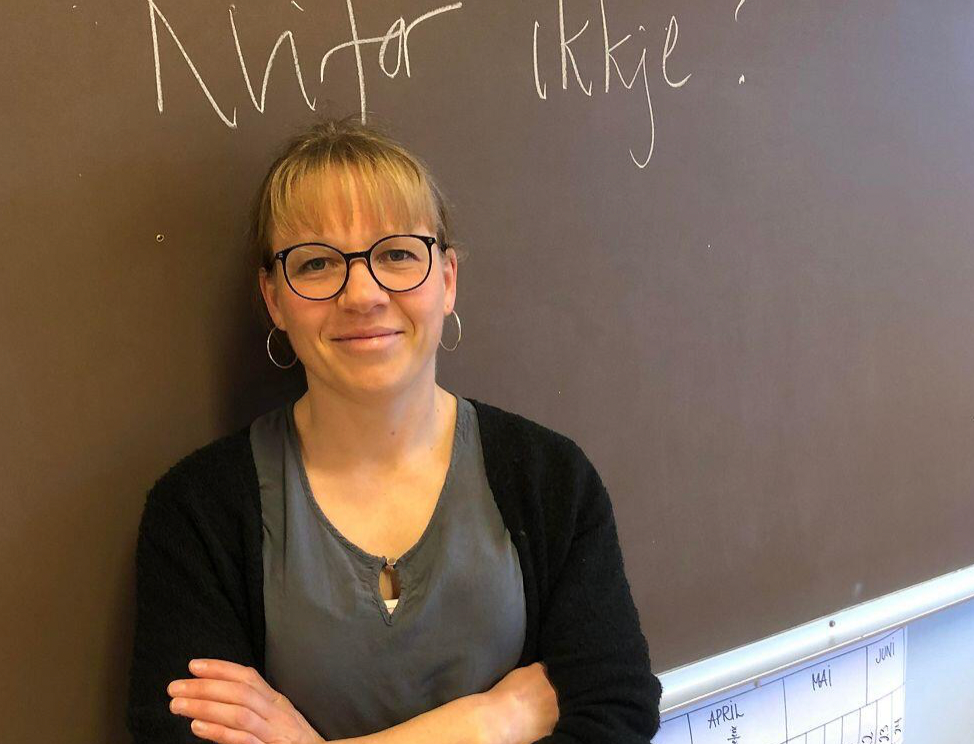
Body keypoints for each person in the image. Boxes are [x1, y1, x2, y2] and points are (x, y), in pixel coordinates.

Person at [127, 115, 662, 744]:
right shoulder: (198, 512)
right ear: (274, 299)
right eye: (317, 263)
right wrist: (493, 719)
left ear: (448, 281)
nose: (363, 294)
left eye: (398, 254)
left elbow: (618, 712)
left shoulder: (550, 479)